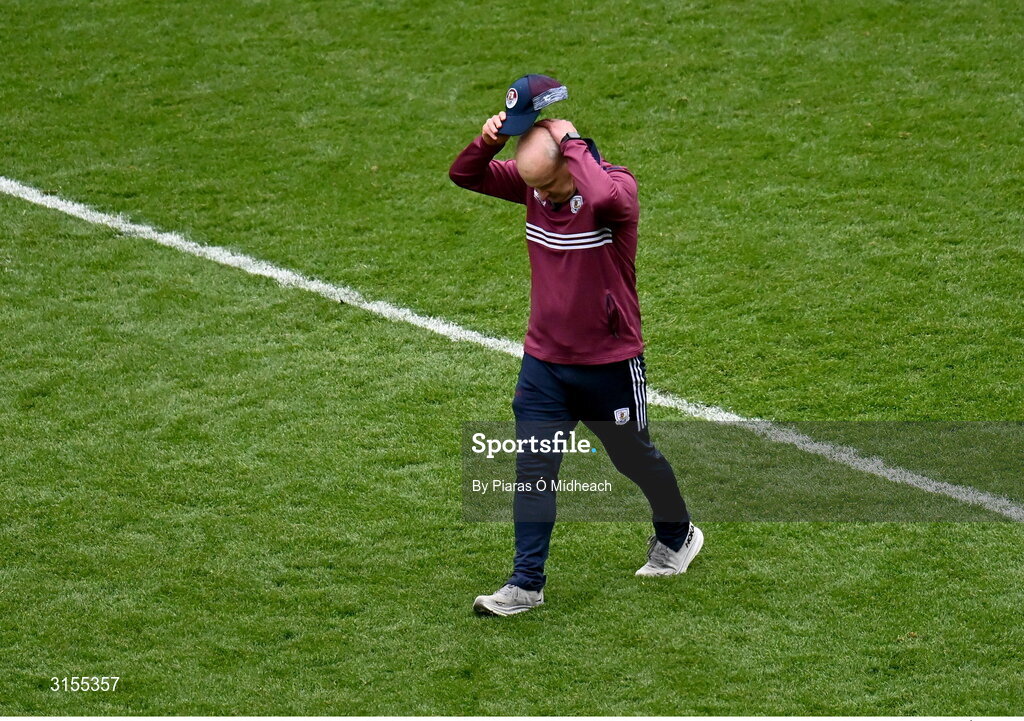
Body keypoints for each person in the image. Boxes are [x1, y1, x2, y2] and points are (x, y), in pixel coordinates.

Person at [449, 94, 702, 617]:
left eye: (547, 182)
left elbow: (606, 202)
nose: (536, 194)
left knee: (635, 457)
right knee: (533, 470)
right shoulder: (537, 186)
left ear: (574, 160)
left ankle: (678, 534)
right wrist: (490, 141)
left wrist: (570, 140)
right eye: (531, 183)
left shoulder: (616, 189)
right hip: (544, 366)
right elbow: (464, 175)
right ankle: (525, 582)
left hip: (609, 365)